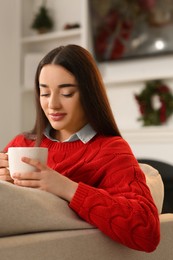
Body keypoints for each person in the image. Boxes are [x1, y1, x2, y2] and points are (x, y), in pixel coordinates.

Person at [0, 44, 160, 252]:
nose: (53, 105)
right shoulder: (22, 144)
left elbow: (146, 231)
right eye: (45, 93)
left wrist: (66, 187)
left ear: (88, 94)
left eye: (66, 94)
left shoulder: (110, 151)